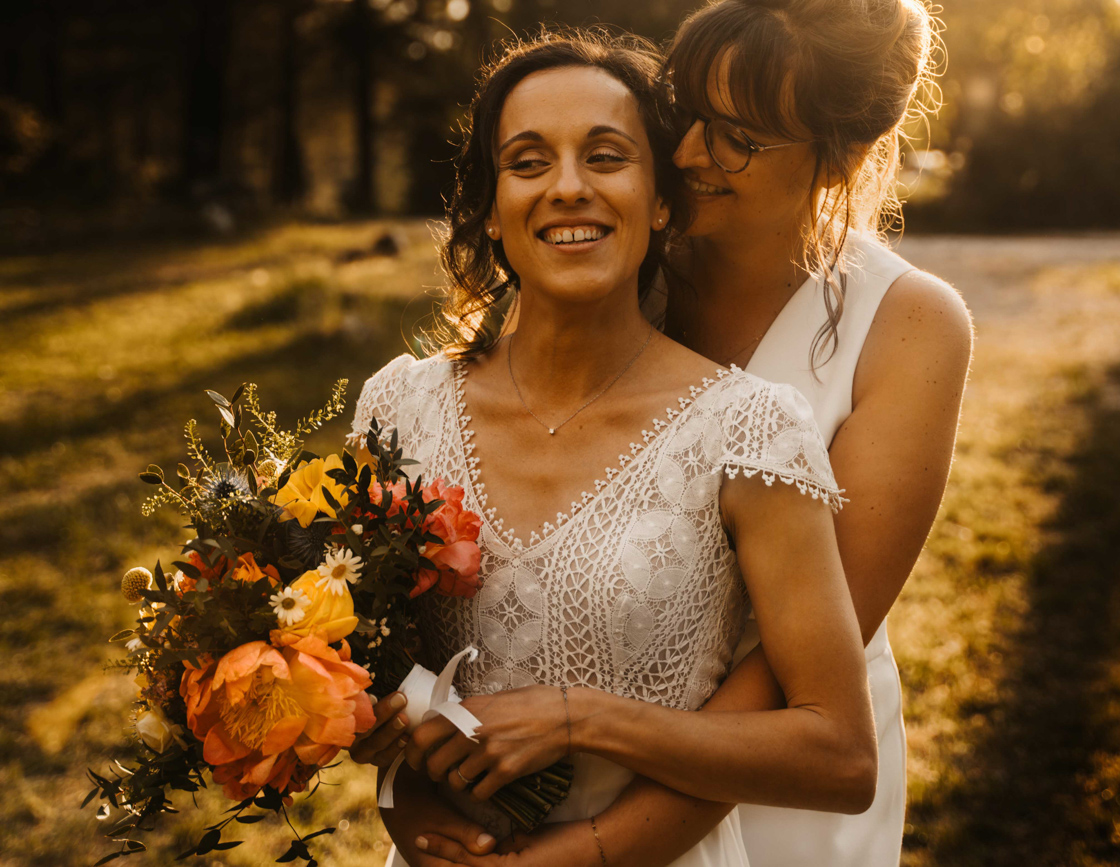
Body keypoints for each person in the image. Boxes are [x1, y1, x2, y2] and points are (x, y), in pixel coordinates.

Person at [348, 30, 881, 867]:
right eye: (528, 162)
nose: (568, 188)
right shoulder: (398, 409)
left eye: (605, 156)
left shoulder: (748, 431)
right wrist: (405, 803)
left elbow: (841, 756)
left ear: (662, 199)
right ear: (489, 207)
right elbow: (375, 686)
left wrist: (581, 716)